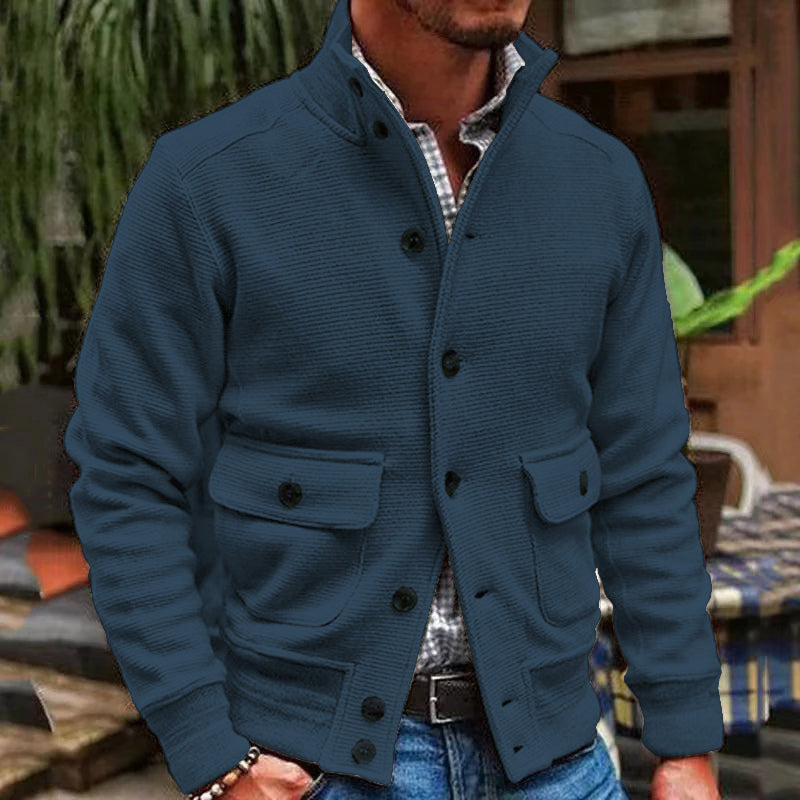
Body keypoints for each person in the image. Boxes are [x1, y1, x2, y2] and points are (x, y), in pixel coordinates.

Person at [64, 0, 725, 798]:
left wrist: (686, 741)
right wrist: (207, 745)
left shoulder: (600, 182)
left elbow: (643, 475)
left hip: (558, 761)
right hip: (313, 771)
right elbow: (127, 475)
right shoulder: (208, 180)